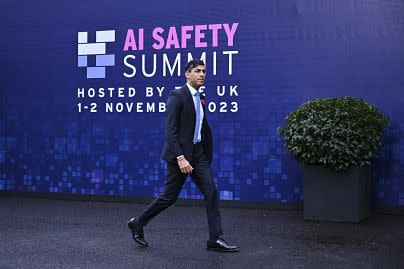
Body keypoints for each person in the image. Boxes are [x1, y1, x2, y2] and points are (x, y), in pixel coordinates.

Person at [127, 59, 239, 252]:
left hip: (198, 154)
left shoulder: (201, 98)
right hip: (179, 156)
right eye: (197, 71)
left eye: (204, 71)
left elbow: (202, 128)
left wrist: (204, 154)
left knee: (211, 192)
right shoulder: (176, 95)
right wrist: (180, 158)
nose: (202, 74)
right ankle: (138, 222)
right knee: (169, 198)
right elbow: (170, 132)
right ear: (187, 74)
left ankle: (215, 239)